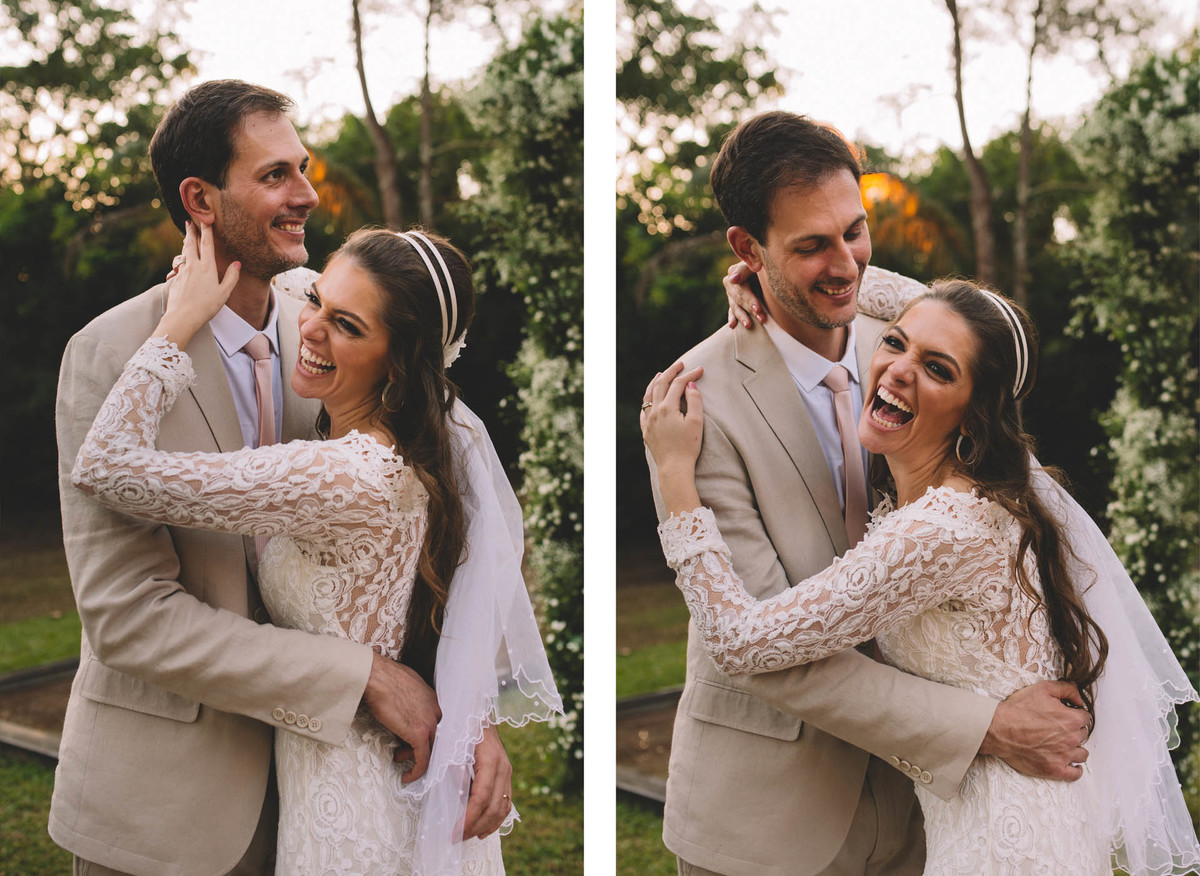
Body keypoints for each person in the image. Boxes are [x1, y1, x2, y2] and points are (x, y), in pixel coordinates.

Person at [51, 80, 520, 876]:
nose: (307, 193)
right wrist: (362, 676)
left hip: (348, 793)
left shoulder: (331, 312)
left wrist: (466, 715)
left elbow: (426, 539)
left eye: (302, 168)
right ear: (200, 198)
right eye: (276, 175)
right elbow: (128, 618)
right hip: (174, 809)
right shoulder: (108, 355)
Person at [641, 111, 1099, 876]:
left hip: (931, 813)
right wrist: (985, 726)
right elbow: (757, 650)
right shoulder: (693, 404)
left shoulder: (906, 340)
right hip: (771, 823)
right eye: (810, 245)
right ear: (746, 248)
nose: (845, 265)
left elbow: (980, 328)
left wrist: (827, 270)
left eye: (855, 230)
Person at [642, 279, 1200, 874]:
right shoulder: (975, 501)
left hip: (1000, 847)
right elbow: (951, 318)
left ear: (974, 416)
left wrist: (675, 476)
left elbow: (737, 640)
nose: (898, 370)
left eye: (937, 369)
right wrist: (783, 270)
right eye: (894, 343)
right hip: (1018, 824)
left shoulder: (939, 531)